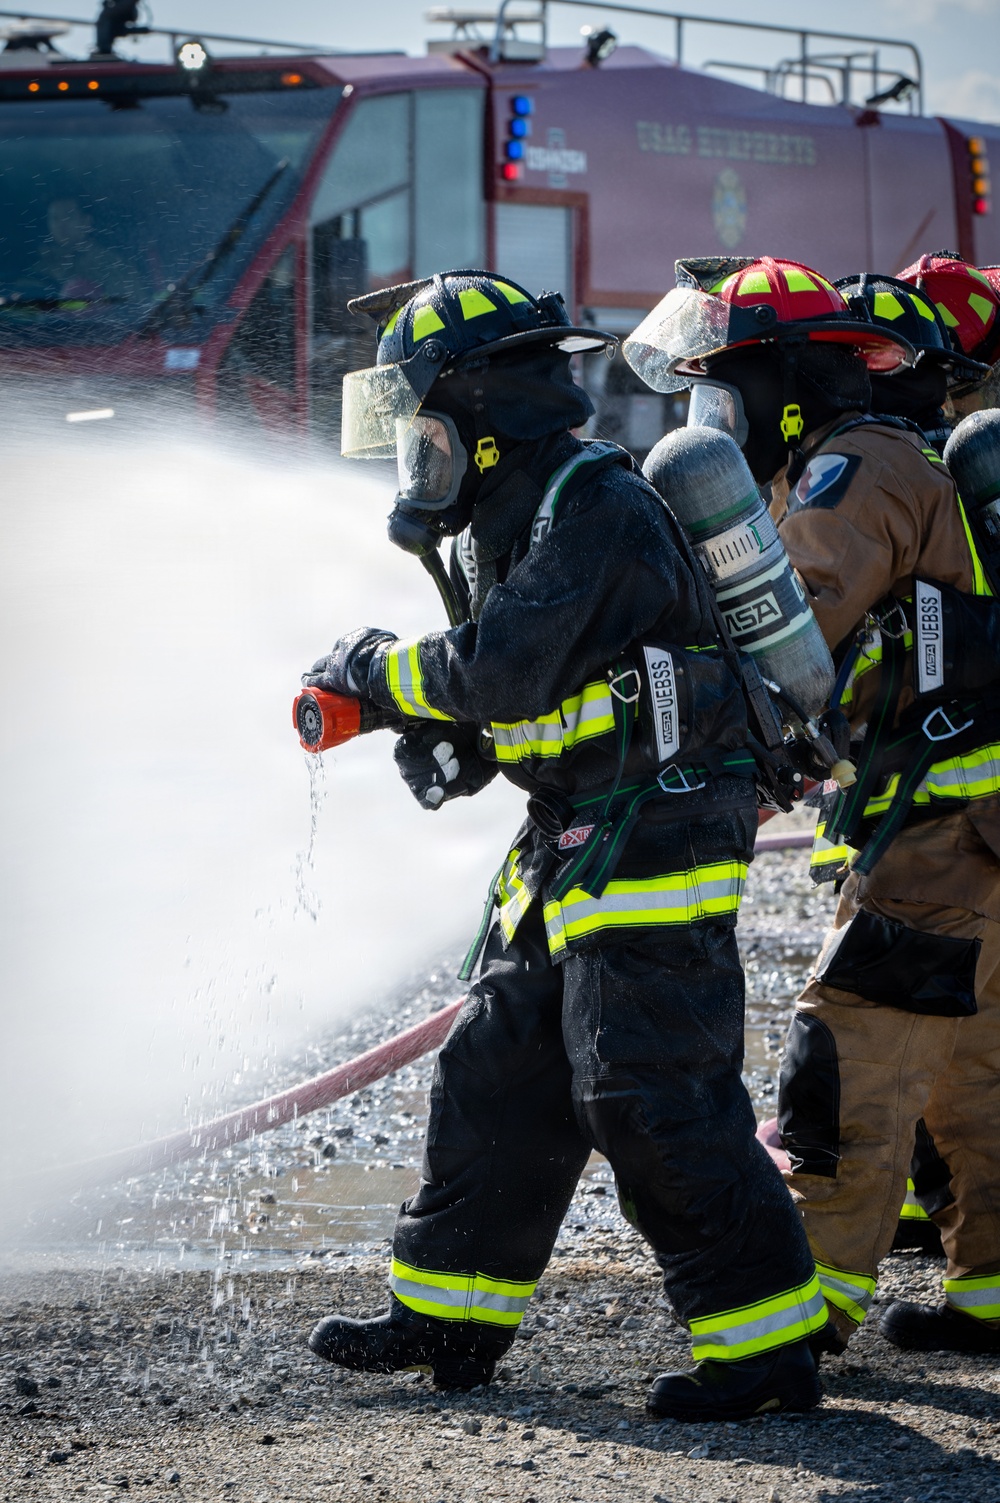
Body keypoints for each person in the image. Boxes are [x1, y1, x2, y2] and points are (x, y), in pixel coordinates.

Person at [302, 269, 826, 1420]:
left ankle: (765, 1352)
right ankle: (450, 1315)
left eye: (417, 403)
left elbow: (497, 669)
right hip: (577, 826)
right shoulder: (512, 511)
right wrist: (461, 746)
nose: (407, 436)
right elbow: (539, 687)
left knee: (648, 1087)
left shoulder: (595, 503)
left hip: (664, 819)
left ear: (479, 400)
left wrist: (373, 675)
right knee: (499, 1064)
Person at [625, 254, 1000, 1357]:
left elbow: (791, 627)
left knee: (845, 1061)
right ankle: (988, 1297)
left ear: (786, 384)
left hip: (935, 837)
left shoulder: (855, 473)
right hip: (970, 829)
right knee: (975, 1073)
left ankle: (807, 1307)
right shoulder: (881, 460)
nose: (710, 419)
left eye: (719, 393)